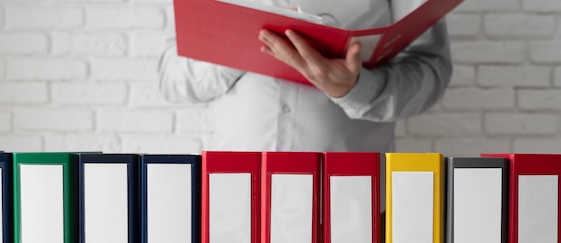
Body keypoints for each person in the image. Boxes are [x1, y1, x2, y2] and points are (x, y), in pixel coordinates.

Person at [157, 0, 452, 155]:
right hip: (235, 199)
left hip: (348, 203)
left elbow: (430, 71)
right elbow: (172, 78)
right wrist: (242, 47)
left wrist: (357, 89)